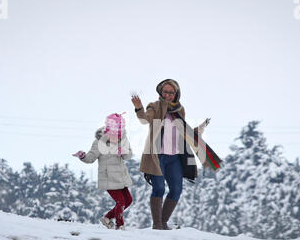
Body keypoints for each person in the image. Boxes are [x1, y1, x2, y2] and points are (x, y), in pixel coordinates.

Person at [131, 79, 203, 230]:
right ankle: (157, 225)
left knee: (176, 190)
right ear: (160, 92)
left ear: (176, 94)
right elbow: (146, 119)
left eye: (171, 92)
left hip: (175, 157)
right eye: (165, 92)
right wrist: (139, 109)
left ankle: (163, 222)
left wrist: (194, 132)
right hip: (158, 157)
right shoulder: (155, 106)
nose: (168, 95)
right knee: (159, 189)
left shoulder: (180, 110)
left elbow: (181, 131)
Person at [72, 113, 133, 230]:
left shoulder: (123, 139)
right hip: (108, 178)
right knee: (120, 201)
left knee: (128, 200)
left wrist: (123, 151)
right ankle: (120, 225)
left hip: (121, 177)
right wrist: (83, 156)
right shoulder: (99, 142)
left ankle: (107, 218)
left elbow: (128, 155)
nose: (117, 135)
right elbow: (90, 158)